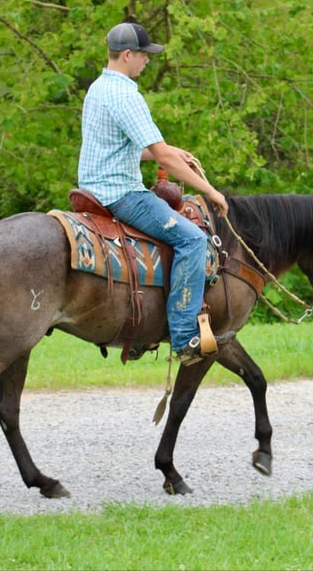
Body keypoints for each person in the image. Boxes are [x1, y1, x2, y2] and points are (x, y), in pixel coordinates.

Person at [78, 22, 229, 363]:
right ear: (128, 55)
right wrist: (211, 190)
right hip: (121, 194)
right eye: (144, 56)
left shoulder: (98, 88)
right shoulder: (127, 95)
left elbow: (126, 148)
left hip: (92, 188)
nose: (147, 62)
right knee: (192, 239)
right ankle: (184, 336)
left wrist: (173, 151)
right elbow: (161, 157)